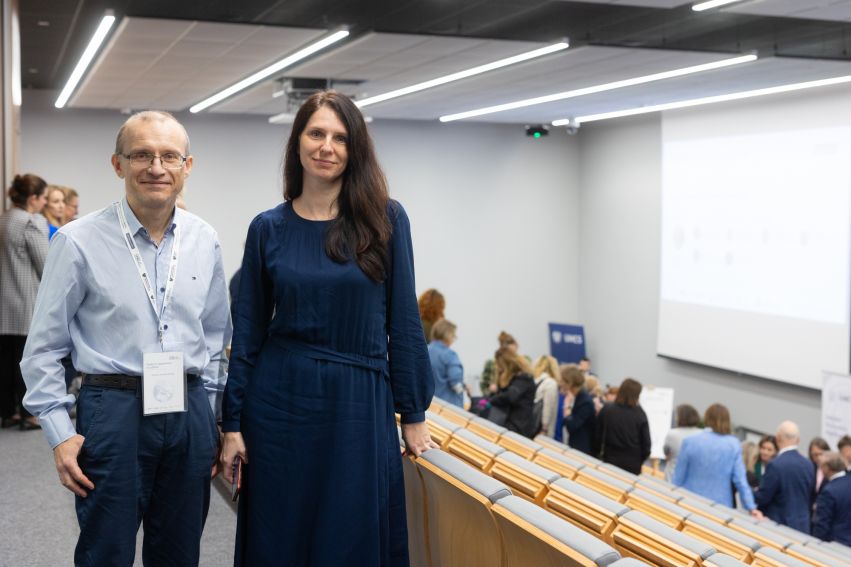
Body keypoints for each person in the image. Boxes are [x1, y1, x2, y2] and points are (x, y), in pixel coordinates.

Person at [218, 91, 435, 566]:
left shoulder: (386, 219)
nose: (327, 147)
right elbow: (249, 331)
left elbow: (404, 319)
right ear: (297, 142)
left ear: (355, 150)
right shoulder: (267, 228)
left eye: (340, 138)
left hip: (358, 403)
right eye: (316, 133)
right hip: (278, 404)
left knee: (350, 535)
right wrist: (231, 423)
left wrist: (413, 411)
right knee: (279, 533)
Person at [20, 110, 232, 566]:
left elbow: (216, 339)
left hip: (188, 405)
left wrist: (211, 417)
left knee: (179, 551)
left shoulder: (205, 239)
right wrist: (59, 434)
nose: (156, 167)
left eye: (169, 156)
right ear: (118, 164)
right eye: (141, 155)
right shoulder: (77, 242)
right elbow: (42, 349)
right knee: (106, 552)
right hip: (112, 409)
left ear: (186, 166)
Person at [0, 174, 49, 430]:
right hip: (23, 304)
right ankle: (29, 414)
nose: (44, 203)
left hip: (3, 306)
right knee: (25, 362)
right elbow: (47, 264)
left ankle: (8, 412)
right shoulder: (31, 222)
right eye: (43, 198)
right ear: (33, 198)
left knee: (5, 363)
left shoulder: (4, 219)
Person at [673, 404, 761, 516]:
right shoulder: (733, 445)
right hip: (720, 506)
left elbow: (678, 475)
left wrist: (673, 495)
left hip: (689, 500)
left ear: (706, 418)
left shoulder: (690, 441)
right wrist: (751, 507)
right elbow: (740, 480)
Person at [756, 421, 815, 532]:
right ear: (798, 440)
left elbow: (763, 497)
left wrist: (750, 493)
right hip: (802, 526)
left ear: (778, 438)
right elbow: (810, 496)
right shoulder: (809, 465)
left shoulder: (775, 465)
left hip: (778, 526)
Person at [593, 377, 651, 475]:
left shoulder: (607, 409)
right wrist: (639, 460)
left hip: (609, 459)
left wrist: (596, 454)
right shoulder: (640, 414)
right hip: (632, 464)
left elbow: (597, 436)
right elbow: (646, 445)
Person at [484, 345, 537, 438]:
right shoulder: (515, 379)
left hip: (518, 428)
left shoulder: (523, 378)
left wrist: (492, 399)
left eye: (499, 365)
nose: (498, 368)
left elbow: (510, 396)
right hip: (511, 425)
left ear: (506, 364)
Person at [812, 452, 851, 545]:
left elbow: (822, 524)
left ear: (827, 467)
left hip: (835, 544)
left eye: (821, 466)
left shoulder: (829, 491)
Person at [559, 363, 595, 455]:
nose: (561, 383)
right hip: (575, 445)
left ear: (570, 382)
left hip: (582, 449)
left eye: (563, 380)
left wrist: (567, 407)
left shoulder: (584, 401)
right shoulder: (575, 397)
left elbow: (572, 425)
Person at [428, 319, 464, 407]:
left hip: (428, 403)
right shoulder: (449, 354)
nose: (453, 339)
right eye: (453, 336)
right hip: (447, 407)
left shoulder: (425, 349)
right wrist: (462, 391)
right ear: (447, 335)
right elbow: (455, 381)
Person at [662, 403, 702, 482]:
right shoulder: (701, 434)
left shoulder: (673, 434)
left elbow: (667, 454)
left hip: (672, 476)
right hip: (692, 479)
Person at [480, 330, 518, 395]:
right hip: (496, 400)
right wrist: (490, 390)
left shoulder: (520, 365)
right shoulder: (491, 363)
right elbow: (483, 384)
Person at [531, 355, 559, 437]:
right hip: (542, 430)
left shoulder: (534, 380)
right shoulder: (550, 383)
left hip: (532, 426)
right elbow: (548, 407)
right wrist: (544, 428)